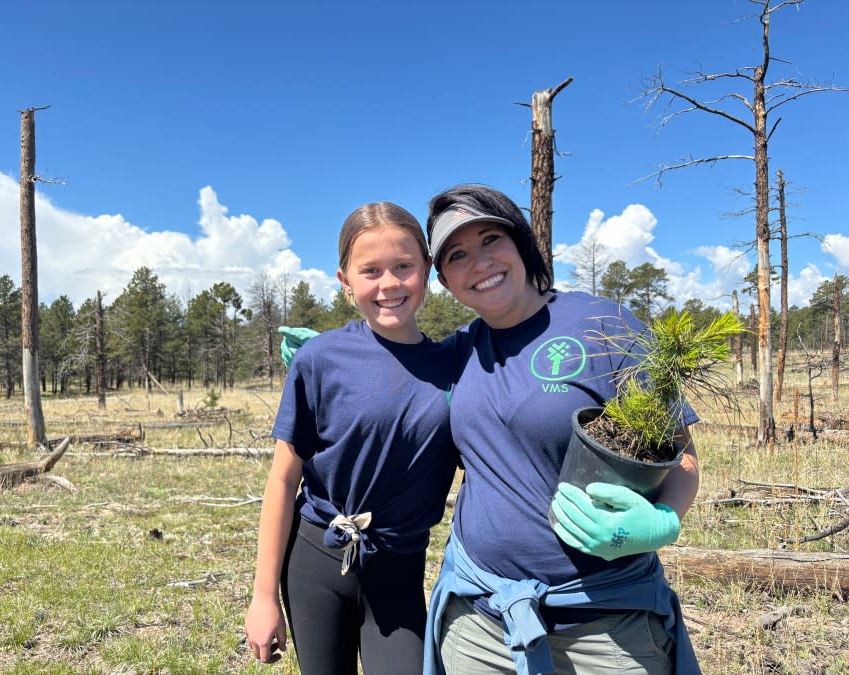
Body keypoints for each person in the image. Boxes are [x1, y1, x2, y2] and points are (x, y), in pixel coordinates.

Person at [422, 184, 701, 675]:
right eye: (457, 254)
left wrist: (661, 523)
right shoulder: (457, 351)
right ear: (445, 279)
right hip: (481, 623)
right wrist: (332, 357)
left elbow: (682, 455)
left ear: (521, 242)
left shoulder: (604, 324)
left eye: (491, 239)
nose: (480, 262)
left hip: (606, 622)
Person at [244, 202, 458, 675]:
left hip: (399, 567)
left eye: (404, 266)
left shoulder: (455, 366)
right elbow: (282, 481)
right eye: (370, 271)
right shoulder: (319, 359)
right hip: (315, 559)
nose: (389, 284)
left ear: (428, 270)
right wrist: (262, 598)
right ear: (345, 282)